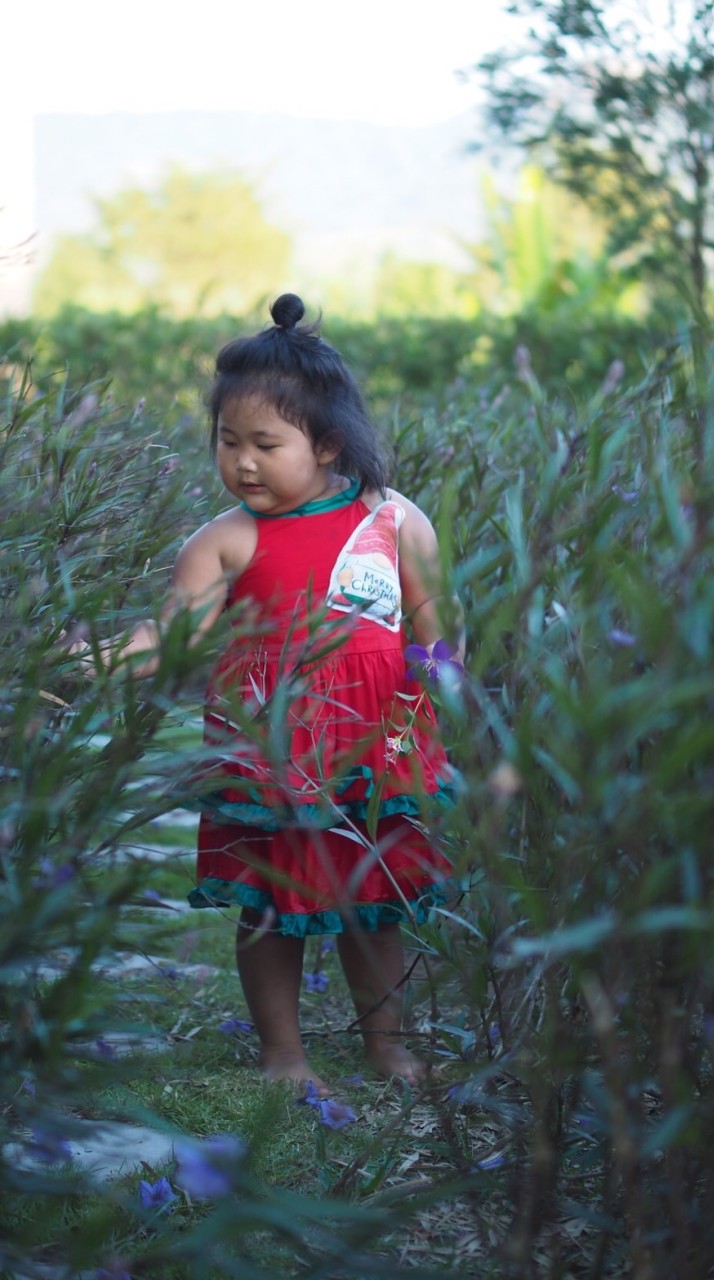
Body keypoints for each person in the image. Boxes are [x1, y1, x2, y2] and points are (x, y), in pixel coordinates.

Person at [77, 293, 463, 1093]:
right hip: (272, 751)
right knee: (268, 904)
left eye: (264, 443)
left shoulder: (392, 520)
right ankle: (283, 1055)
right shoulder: (224, 541)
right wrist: (93, 656)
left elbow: (432, 631)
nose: (242, 462)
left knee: (373, 902)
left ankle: (387, 1048)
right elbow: (169, 636)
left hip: (376, 746)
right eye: (227, 442)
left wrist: (439, 708)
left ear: (326, 443)